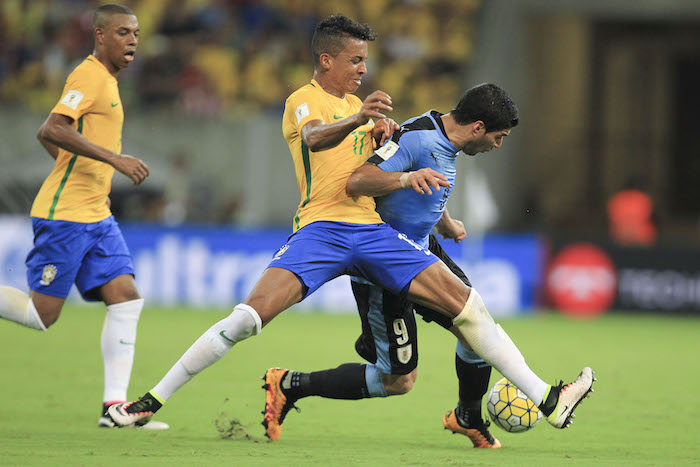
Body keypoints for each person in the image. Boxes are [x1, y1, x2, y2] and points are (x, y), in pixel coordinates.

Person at [106, 15, 594, 440]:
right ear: (326, 61)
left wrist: (384, 141)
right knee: (247, 319)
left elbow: (379, 173)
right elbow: (316, 140)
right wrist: (361, 120)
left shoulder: (370, 115)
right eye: (356, 60)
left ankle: (549, 401)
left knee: (470, 308)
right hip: (320, 229)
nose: (363, 69)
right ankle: (146, 403)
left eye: (365, 61)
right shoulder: (306, 100)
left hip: (374, 232)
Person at [261, 83, 519, 449]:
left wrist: (443, 220)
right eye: (500, 136)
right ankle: (290, 384)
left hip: (422, 250)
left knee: (476, 328)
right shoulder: (418, 136)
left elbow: (422, 176)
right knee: (399, 381)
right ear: (478, 127)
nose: (499, 144)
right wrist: (405, 180)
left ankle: (468, 415)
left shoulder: (442, 138)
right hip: (384, 261)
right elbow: (364, 180)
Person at [0, 3, 167, 430]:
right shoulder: (89, 75)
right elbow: (55, 127)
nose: (133, 40)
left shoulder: (106, 81)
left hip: (96, 213)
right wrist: (114, 160)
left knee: (126, 298)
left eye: (136, 33)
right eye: (123, 33)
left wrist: (88, 175)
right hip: (67, 216)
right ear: (100, 34)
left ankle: (116, 409)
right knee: (43, 316)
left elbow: (45, 134)